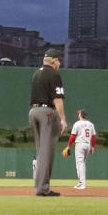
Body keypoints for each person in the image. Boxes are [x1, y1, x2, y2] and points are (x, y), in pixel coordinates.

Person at [29, 48, 67, 196]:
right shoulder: (54, 74)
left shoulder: (36, 73)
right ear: (53, 60)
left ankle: (40, 187)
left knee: (40, 152)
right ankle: (42, 189)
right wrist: (63, 119)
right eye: (58, 60)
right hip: (47, 113)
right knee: (46, 152)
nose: (59, 63)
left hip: (33, 112)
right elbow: (57, 99)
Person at [64, 109, 96, 190]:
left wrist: (68, 146)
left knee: (80, 164)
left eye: (79, 113)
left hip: (80, 145)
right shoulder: (91, 124)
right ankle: (80, 182)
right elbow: (93, 136)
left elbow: (73, 136)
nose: (78, 114)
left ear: (81, 115)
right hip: (88, 145)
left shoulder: (77, 124)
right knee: (81, 163)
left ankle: (82, 184)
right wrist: (92, 147)